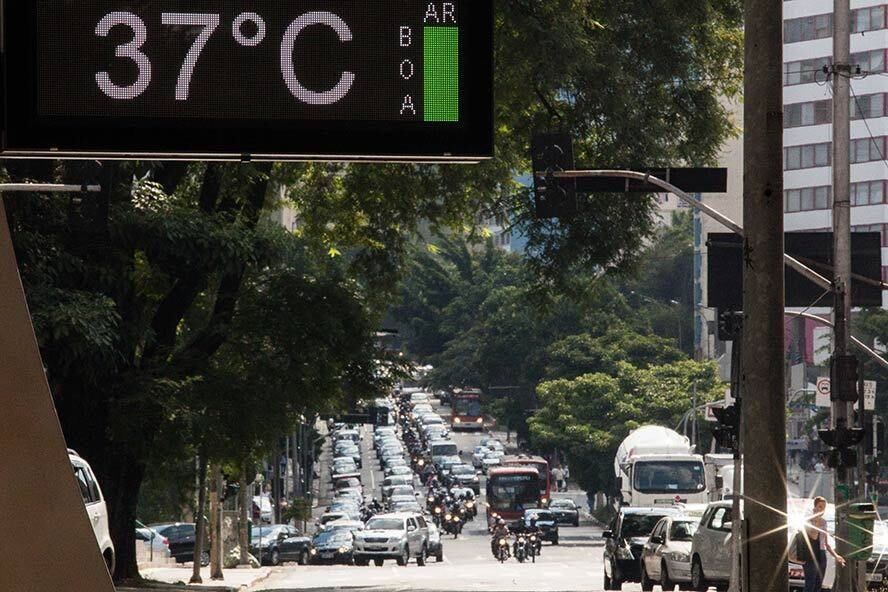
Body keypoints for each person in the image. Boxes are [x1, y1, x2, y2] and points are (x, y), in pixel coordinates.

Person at [802, 496, 845, 592]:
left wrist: (836, 556)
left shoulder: (824, 522)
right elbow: (814, 536)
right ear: (815, 507)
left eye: (824, 507)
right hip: (810, 554)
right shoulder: (807, 521)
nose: (822, 509)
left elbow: (826, 544)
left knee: (818, 584)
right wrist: (816, 519)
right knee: (810, 583)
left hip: (821, 554)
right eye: (820, 506)